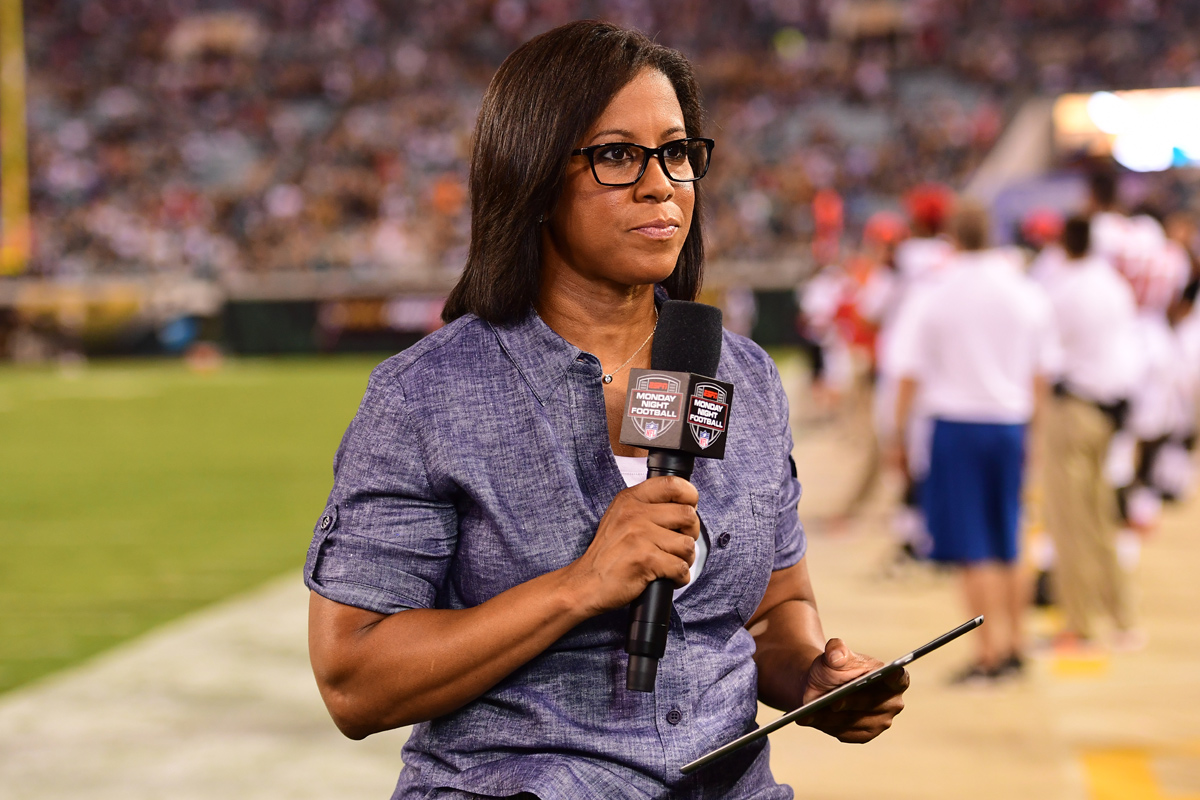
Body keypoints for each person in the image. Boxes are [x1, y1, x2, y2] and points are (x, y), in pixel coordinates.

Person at [304, 21, 907, 799]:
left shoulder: (743, 377)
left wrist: (816, 680)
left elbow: (770, 612)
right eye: (618, 155)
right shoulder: (425, 397)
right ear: (534, 178)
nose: (661, 184)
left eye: (679, 152)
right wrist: (580, 584)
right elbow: (353, 681)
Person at [891, 200, 1058, 683]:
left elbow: (908, 372)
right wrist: (1038, 435)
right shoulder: (1025, 291)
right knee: (1010, 537)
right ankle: (1016, 641)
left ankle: (989, 653)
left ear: (952, 237)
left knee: (973, 545)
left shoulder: (937, 292)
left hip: (958, 424)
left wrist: (898, 435)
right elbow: (1041, 374)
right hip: (1010, 423)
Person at [1039, 216, 1141, 651]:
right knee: (1102, 518)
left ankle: (1079, 622)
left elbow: (1045, 354)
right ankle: (1121, 616)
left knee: (1070, 520)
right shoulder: (1113, 285)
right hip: (1108, 411)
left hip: (1075, 408)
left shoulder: (1064, 289)